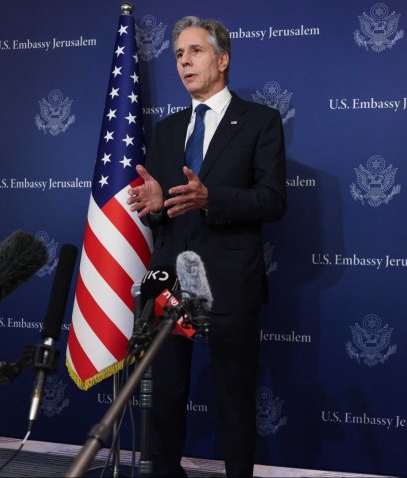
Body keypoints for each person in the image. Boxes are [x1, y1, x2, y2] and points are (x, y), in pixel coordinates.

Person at [127, 15, 286, 478]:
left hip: (231, 283)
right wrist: (155, 205)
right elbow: (163, 210)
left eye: (194, 51)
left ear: (222, 59)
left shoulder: (260, 121)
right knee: (166, 398)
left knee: (234, 399)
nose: (184, 62)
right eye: (178, 54)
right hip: (170, 281)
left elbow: (273, 200)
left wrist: (211, 198)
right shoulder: (166, 131)